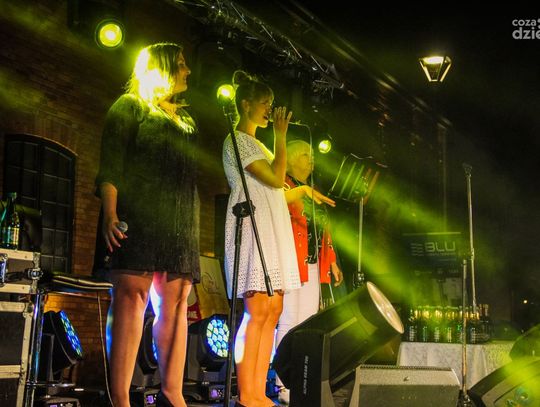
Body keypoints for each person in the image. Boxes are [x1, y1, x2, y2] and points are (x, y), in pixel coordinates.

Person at [94, 42, 199, 407]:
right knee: (131, 299)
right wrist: (110, 214)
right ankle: (120, 398)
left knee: (177, 304)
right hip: (138, 216)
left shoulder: (187, 122)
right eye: (181, 63)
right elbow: (111, 166)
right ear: (161, 67)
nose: (187, 71)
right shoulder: (130, 106)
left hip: (179, 223)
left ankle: (173, 393)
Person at [222, 70, 301, 407]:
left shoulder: (260, 146)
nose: (270, 109)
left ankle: (258, 390)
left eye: (271, 103)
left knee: (273, 309)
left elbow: (277, 189)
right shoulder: (238, 141)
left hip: (270, 229)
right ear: (246, 104)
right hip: (252, 227)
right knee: (256, 310)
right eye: (265, 103)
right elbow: (276, 178)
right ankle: (246, 393)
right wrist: (282, 137)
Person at [275, 139, 344, 405]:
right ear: (291, 158)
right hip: (291, 261)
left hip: (313, 264)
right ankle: (282, 383)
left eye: (312, 154)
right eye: (306, 154)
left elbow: (324, 230)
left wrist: (332, 260)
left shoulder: (313, 191)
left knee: (308, 322)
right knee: (289, 320)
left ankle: (301, 383)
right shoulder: (284, 186)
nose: (311, 159)